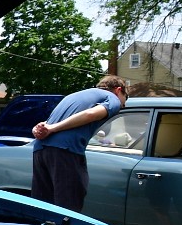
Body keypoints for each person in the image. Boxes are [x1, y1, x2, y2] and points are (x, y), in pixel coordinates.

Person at [31, 75, 128, 211]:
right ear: (118, 90)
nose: (122, 106)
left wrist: (40, 129)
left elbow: (43, 125)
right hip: (65, 151)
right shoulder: (112, 98)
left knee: (43, 207)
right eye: (124, 102)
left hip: (40, 150)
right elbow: (91, 114)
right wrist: (53, 128)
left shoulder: (73, 96)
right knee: (68, 207)